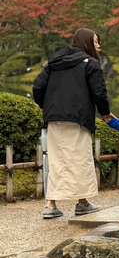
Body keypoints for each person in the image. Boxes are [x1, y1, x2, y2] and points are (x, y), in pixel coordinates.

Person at [33, 28, 113, 219]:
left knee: (56, 159)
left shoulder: (55, 62)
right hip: (78, 118)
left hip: (54, 117)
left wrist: (44, 105)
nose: (98, 46)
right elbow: (99, 92)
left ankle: (50, 205)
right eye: (95, 42)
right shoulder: (90, 64)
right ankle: (82, 203)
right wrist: (105, 113)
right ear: (86, 43)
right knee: (81, 159)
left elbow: (38, 86)